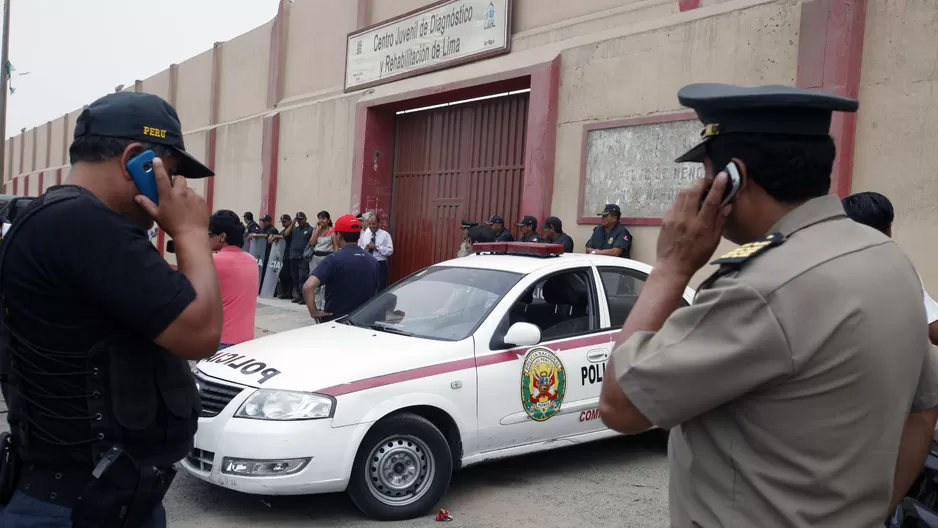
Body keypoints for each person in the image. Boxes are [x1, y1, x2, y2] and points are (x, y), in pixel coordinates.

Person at [597, 83, 938, 527]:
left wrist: (670, 267)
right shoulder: (886, 258)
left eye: (705, 173)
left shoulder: (760, 288)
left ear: (732, 178)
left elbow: (619, 407)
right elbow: (925, 407)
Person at [0, 91, 222, 526]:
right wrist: (192, 232)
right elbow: (200, 333)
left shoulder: (61, 221)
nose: (178, 190)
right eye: (171, 174)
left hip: (90, 497)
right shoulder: (85, 226)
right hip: (80, 506)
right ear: (136, 162)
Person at [841, 190, 938, 510]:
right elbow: (935, 331)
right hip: (886, 410)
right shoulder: (898, 268)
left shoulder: (820, 266)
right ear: (890, 228)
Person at [303, 214, 378, 323]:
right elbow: (375, 291)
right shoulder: (373, 261)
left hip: (336, 320)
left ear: (339, 235)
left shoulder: (333, 259)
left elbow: (308, 287)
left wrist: (314, 312)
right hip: (363, 320)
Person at [209, 210, 259, 350]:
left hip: (221, 340)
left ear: (222, 237)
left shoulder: (212, 261)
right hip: (246, 339)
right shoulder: (251, 260)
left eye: (209, 234)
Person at [359, 212, 394, 291]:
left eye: (374, 224)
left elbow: (390, 251)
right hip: (367, 263)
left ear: (379, 223)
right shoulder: (364, 236)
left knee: (381, 286)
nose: (371, 226)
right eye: (370, 224)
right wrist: (366, 248)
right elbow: (360, 250)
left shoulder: (385, 235)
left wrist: (376, 248)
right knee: (367, 286)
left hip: (380, 263)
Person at [308, 211, 335, 311]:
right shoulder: (317, 230)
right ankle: (317, 304)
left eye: (323, 218)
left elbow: (335, 247)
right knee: (315, 283)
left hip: (326, 258)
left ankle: (324, 305)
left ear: (328, 220)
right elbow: (312, 243)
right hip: (315, 258)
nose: (321, 220)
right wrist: (316, 230)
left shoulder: (332, 231)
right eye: (319, 218)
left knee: (324, 284)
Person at [287, 212, 314, 304]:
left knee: (302, 277)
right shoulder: (295, 229)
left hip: (303, 257)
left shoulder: (310, 230)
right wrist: (292, 223)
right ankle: (298, 295)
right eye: (297, 219)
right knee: (295, 277)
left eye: (301, 219)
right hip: (293, 256)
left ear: (305, 218)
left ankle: (304, 297)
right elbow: (286, 234)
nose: (299, 221)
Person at [268, 214, 293, 299]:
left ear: (290, 221)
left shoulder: (292, 229)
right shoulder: (283, 230)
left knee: (288, 275)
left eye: (285, 221)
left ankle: (289, 293)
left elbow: (286, 235)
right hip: (283, 255)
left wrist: (276, 236)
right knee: (283, 275)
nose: (283, 223)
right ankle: (285, 292)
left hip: (290, 254)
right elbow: (280, 235)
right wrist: (272, 236)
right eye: (282, 222)